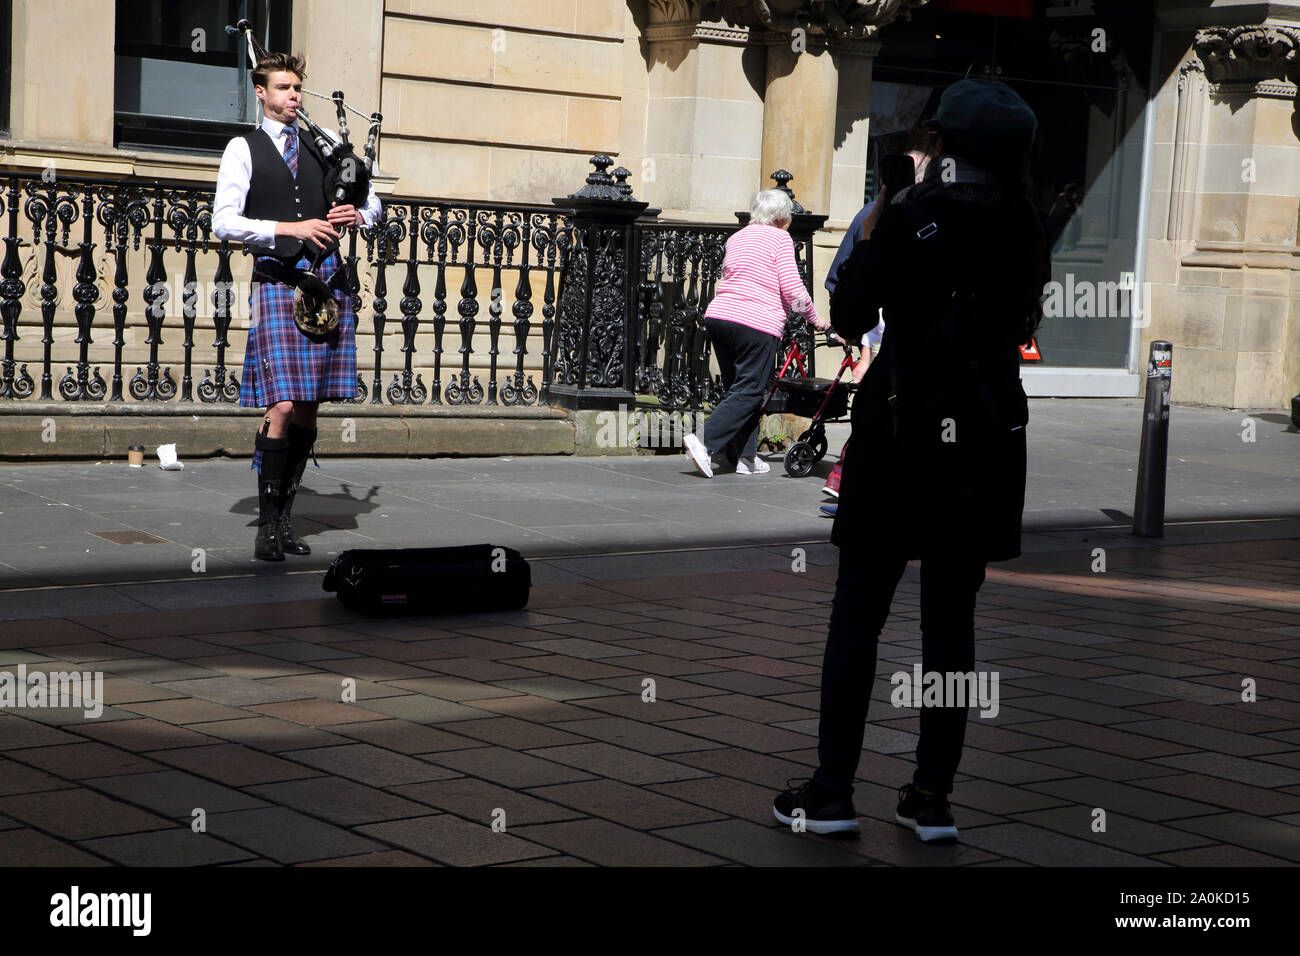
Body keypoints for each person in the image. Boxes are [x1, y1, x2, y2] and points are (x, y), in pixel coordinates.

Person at [773, 79, 1050, 840]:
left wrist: (884, 218)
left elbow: (851, 313)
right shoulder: (1027, 228)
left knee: (858, 614)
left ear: (948, 146)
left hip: (901, 433)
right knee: (951, 623)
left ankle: (831, 792)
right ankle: (931, 799)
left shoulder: (913, 215)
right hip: (987, 439)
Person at [213, 50, 381, 561]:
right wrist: (289, 228)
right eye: (284, 88)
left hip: (327, 282)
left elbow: (373, 197)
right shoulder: (243, 147)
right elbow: (223, 221)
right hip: (279, 280)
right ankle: (266, 526)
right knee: (282, 405)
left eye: (298, 88)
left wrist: (359, 211)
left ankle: (286, 520)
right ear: (261, 92)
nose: (294, 97)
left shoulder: (323, 144)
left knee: (308, 407)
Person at [819, 128, 939, 503]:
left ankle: (846, 480)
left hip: (906, 379)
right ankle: (843, 478)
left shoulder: (891, 220)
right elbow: (844, 293)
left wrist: (874, 236)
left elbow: (849, 309)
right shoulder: (1006, 219)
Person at [683, 189, 831, 478]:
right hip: (756, 323)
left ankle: (745, 457)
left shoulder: (736, 238)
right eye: (788, 216)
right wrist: (815, 318)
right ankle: (703, 441)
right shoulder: (780, 238)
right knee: (750, 391)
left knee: (738, 389)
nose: (789, 221)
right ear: (780, 218)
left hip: (720, 317)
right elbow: (791, 286)